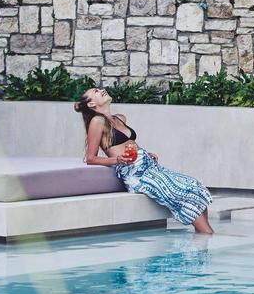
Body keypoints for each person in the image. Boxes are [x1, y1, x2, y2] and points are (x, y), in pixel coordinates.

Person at [74, 87, 215, 234]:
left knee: (194, 185)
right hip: (135, 174)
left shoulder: (119, 118)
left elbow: (128, 145)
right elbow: (90, 158)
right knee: (182, 192)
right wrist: (117, 159)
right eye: (95, 92)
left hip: (149, 166)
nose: (101, 90)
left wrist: (145, 153)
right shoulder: (97, 121)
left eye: (99, 89)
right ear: (91, 105)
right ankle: (206, 235)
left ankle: (202, 235)